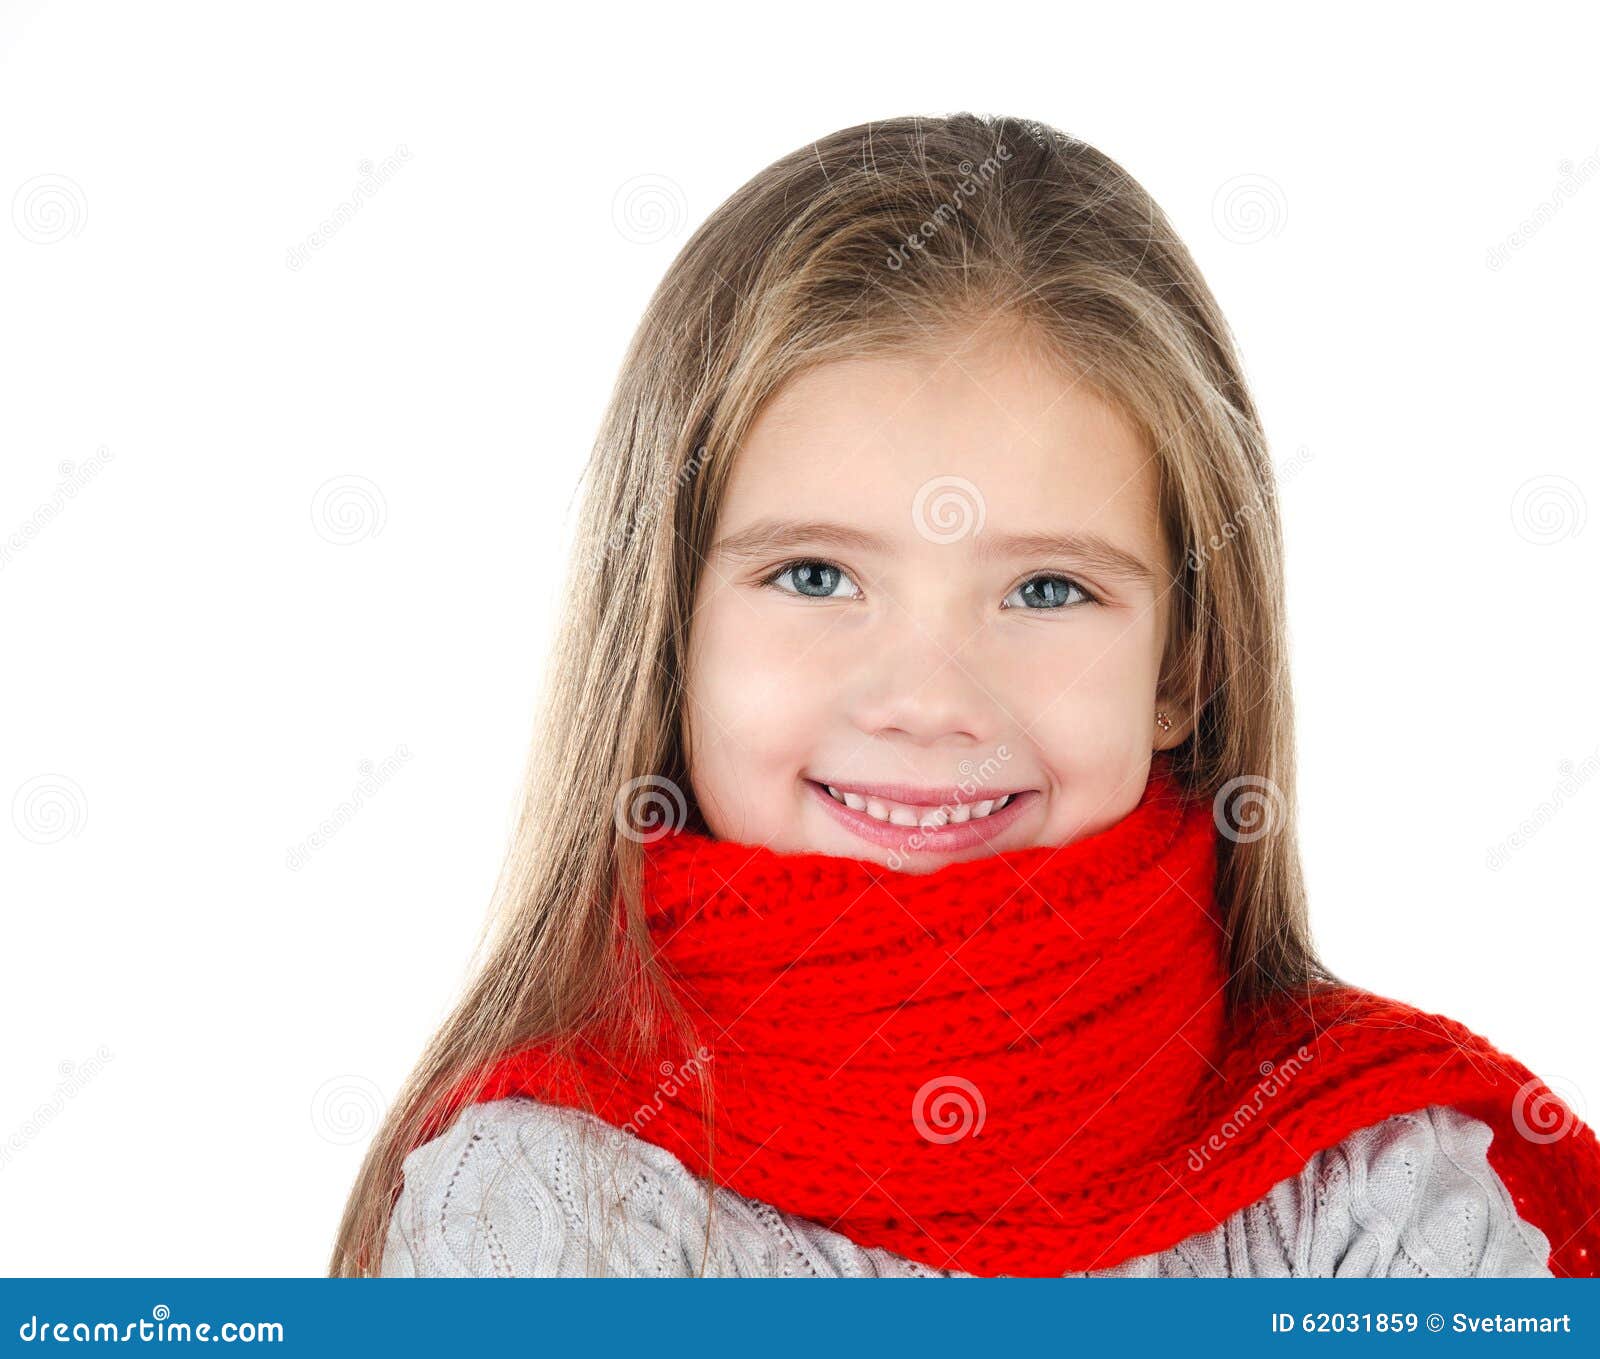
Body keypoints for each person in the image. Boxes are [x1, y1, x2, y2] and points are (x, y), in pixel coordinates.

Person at [330, 113, 1600, 1278]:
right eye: (815, 574)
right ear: (669, 633)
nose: (929, 700)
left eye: (1046, 591)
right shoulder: (546, 1208)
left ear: (1183, 668)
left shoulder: (1389, 1186)